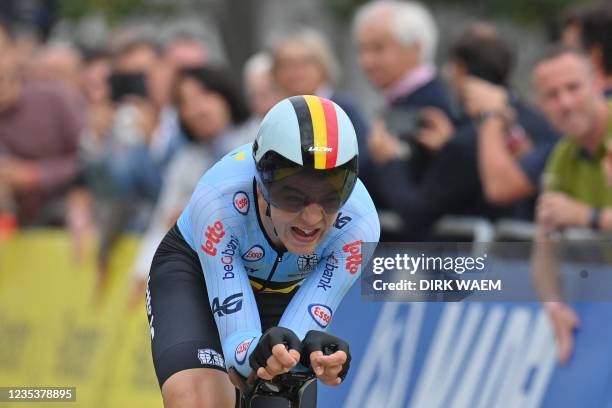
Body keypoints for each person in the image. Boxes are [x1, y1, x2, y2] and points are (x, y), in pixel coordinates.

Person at [147, 95, 380, 407]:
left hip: (283, 293)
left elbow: (300, 330)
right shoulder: (219, 200)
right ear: (261, 182)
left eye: (330, 196)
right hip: (196, 275)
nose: (311, 218)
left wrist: (302, 354)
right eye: (292, 195)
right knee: (199, 400)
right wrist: (257, 355)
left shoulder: (359, 226)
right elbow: (238, 348)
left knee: (279, 390)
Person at [129, 66, 251, 306]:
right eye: (186, 102)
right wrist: (144, 270)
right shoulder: (185, 161)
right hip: (202, 280)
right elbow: (164, 220)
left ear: (225, 95)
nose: (198, 109)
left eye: (205, 95)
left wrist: (195, 209)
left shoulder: (258, 138)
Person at [530, 46, 612, 364]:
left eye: (573, 88)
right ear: (540, 106)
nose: (565, 102)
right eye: (552, 95)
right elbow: (544, 245)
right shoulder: (562, 155)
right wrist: (553, 306)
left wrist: (584, 216)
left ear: (597, 85)